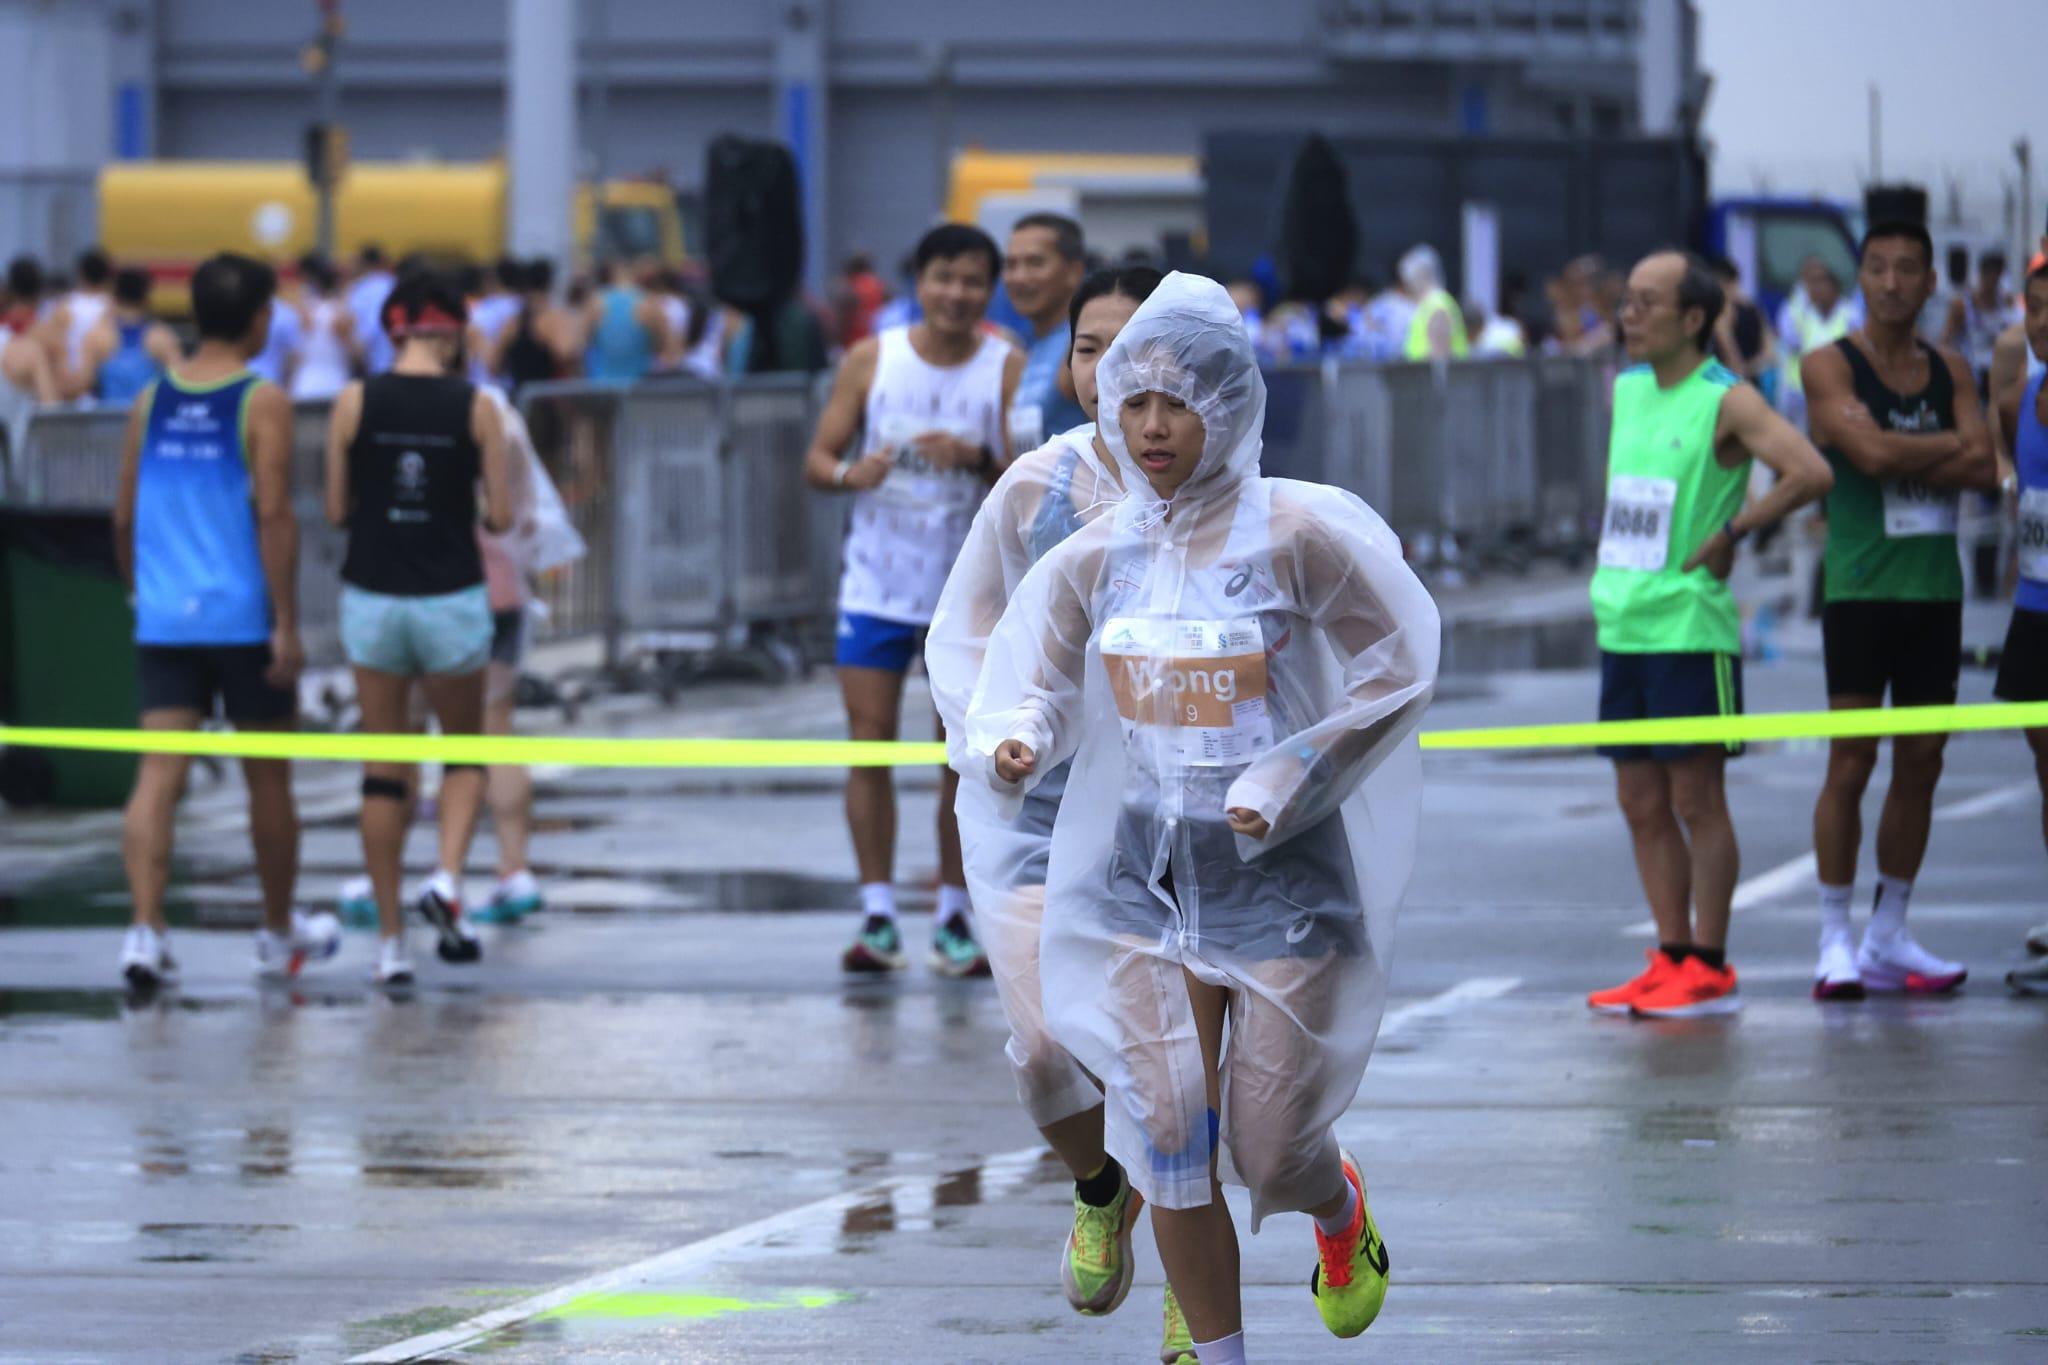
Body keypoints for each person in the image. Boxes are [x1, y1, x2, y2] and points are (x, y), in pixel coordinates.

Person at [967, 272, 1436, 1364]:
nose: (1152, 427)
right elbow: (1027, 673)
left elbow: (1396, 668)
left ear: (1229, 403)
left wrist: (1289, 775)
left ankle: (1333, 1205)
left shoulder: (1296, 534)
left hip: (1279, 883)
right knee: (1166, 1140)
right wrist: (1020, 735)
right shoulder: (1096, 553)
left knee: (1268, 1150)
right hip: (1143, 881)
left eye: (1177, 402)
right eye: (1132, 403)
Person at [927, 266, 1180, 1350]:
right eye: (1086, 348)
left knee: (1179, 1079)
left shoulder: (1235, 504)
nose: (1104, 370)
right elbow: (968, 637)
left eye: (1130, 348)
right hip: (1034, 816)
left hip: (1178, 828)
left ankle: (1196, 1301)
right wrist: (1002, 735)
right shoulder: (1035, 489)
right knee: (1042, 1053)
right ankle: (1096, 1187)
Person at [1585, 250, 1833, 1019]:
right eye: (1625, 300)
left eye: (1647, 302)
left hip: (1690, 626)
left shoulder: (1726, 400)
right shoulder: (1625, 390)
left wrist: (1736, 529)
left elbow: (1809, 472)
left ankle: (1711, 958)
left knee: (1696, 795)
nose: (1628, 314)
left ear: (1694, 319)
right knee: (1638, 797)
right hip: (1622, 618)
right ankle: (1669, 953)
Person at [110, 253, 340, 990]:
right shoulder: (260, 399)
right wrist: (287, 622)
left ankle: (145, 931)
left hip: (166, 617)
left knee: (157, 777)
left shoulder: (152, 400)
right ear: (259, 319)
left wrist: (137, 591)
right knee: (268, 779)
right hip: (242, 619)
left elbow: (121, 515)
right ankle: (276, 932)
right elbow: (273, 512)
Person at [802, 223, 1024, 978]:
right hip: (875, 585)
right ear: (918, 283)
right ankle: (875, 912)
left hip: (966, 596)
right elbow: (817, 457)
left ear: (988, 290)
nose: (956, 294)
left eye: (971, 281)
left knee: (958, 760)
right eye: (942, 278)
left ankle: (954, 916)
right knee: (868, 747)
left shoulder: (1006, 366)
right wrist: (846, 474)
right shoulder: (874, 358)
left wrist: (981, 459)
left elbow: (1031, 484)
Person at [1802, 221, 1996, 1000]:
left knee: (1923, 761)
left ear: (1927, 284)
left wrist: (1909, 443)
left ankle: (1891, 928)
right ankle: (1833, 934)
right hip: (1858, 589)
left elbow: (1986, 465)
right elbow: (1875, 457)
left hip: (1933, 592)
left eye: (1906, 270)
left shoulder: (1950, 367)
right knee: (1851, 761)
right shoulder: (1829, 364)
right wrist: (1943, 445)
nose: (1891, 282)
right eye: (1877, 268)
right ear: (1862, 280)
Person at [324, 270, 512, 986]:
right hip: (449, 596)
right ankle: (447, 876)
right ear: (449, 330)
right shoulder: (478, 406)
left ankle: (391, 944)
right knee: (463, 752)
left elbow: (337, 510)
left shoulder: (352, 401)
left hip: (372, 594)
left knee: (383, 766)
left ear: (395, 328)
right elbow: (497, 515)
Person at [1996, 253, 2048, 995]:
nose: (2043, 323)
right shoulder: (2021, 399)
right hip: (2037, 608)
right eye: (2035, 307)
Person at [1001, 214, 1091, 456]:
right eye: (1011, 265)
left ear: (1074, 271)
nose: (1019, 277)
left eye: (1035, 263)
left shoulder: (1085, 346)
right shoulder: (1030, 348)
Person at [1775, 255, 1862, 428]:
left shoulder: (1851, 315)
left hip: (1837, 393)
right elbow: (1791, 341)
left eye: (1820, 282)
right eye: (1810, 282)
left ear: (1834, 286)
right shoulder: (1800, 311)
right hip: (1800, 394)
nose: (1814, 288)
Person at [79, 267, 180, 405]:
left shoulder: (98, 337)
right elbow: (180, 382)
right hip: (145, 419)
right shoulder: (160, 337)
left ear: (114, 296)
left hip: (107, 422)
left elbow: (83, 384)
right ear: (146, 297)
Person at [1943, 250, 2019, 393]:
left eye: (1996, 276)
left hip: (1998, 373)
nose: (1992, 281)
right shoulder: (1963, 305)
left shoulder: (2006, 302)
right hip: (1972, 374)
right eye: (1989, 275)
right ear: (1982, 274)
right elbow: (1946, 339)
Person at [581, 261, 669, 385]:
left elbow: (582, 345)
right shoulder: (649, 304)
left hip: (602, 387)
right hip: (638, 388)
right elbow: (662, 347)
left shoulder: (595, 303)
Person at [289, 254, 359, 402]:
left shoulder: (303, 312)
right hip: (336, 384)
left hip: (305, 385)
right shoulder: (343, 314)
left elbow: (293, 355)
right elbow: (356, 355)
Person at [1710, 255, 1779, 404]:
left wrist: (1743, 372)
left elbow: (1732, 358)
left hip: (1731, 388)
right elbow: (1770, 353)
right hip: (1754, 385)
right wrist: (1753, 368)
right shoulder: (1753, 307)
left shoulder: (1724, 313)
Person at [1397, 245, 1468, 362]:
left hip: (1429, 379)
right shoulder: (1430, 305)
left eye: (1408, 281)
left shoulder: (1437, 306)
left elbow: (1440, 358)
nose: (1408, 288)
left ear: (1420, 277)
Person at [57, 246, 113, 383]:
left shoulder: (66, 306)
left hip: (74, 376)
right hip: (104, 377)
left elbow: (57, 347)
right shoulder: (112, 306)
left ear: (80, 274)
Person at [346, 244, 397, 376]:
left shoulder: (360, 290)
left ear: (362, 264)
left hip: (375, 365)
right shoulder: (395, 284)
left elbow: (366, 330)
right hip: (398, 361)